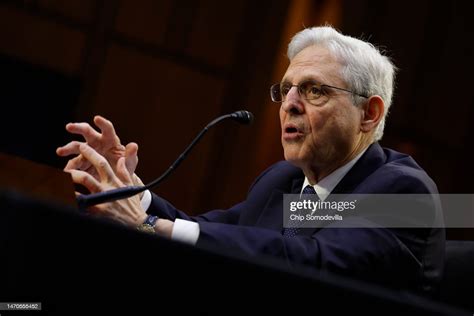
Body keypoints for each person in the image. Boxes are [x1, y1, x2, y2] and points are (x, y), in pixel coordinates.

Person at [56, 26, 444, 295]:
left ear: (369, 114)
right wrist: (131, 192)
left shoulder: (406, 191)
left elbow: (315, 260)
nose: (289, 104)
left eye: (313, 90)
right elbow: (208, 230)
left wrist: (148, 226)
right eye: (286, 89)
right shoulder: (284, 180)